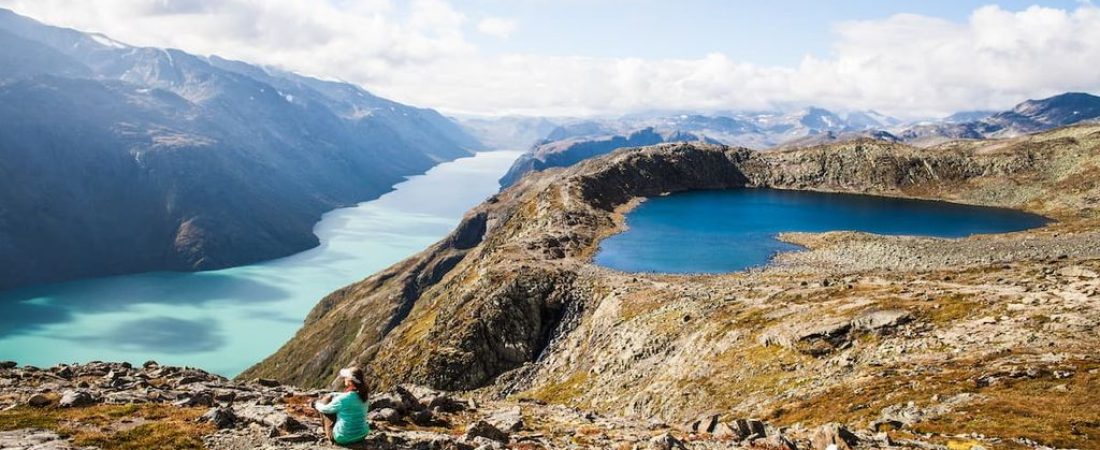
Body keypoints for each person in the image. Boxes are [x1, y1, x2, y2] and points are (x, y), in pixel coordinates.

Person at [314, 367, 370, 445]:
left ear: (350, 382)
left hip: (343, 437)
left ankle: (327, 433)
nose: (344, 379)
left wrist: (317, 404)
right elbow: (350, 397)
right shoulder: (365, 396)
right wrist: (334, 394)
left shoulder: (342, 399)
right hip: (362, 434)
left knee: (325, 403)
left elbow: (325, 409)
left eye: (346, 377)